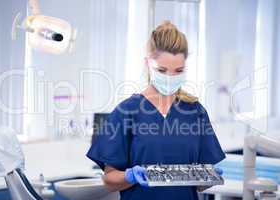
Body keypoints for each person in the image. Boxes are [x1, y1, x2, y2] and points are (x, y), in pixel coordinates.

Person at [86, 21, 225, 200]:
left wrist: (208, 178)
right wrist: (130, 176)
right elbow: (109, 179)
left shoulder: (195, 112)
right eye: (162, 70)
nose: (170, 77)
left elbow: (199, 186)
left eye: (178, 70)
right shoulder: (126, 112)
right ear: (148, 64)